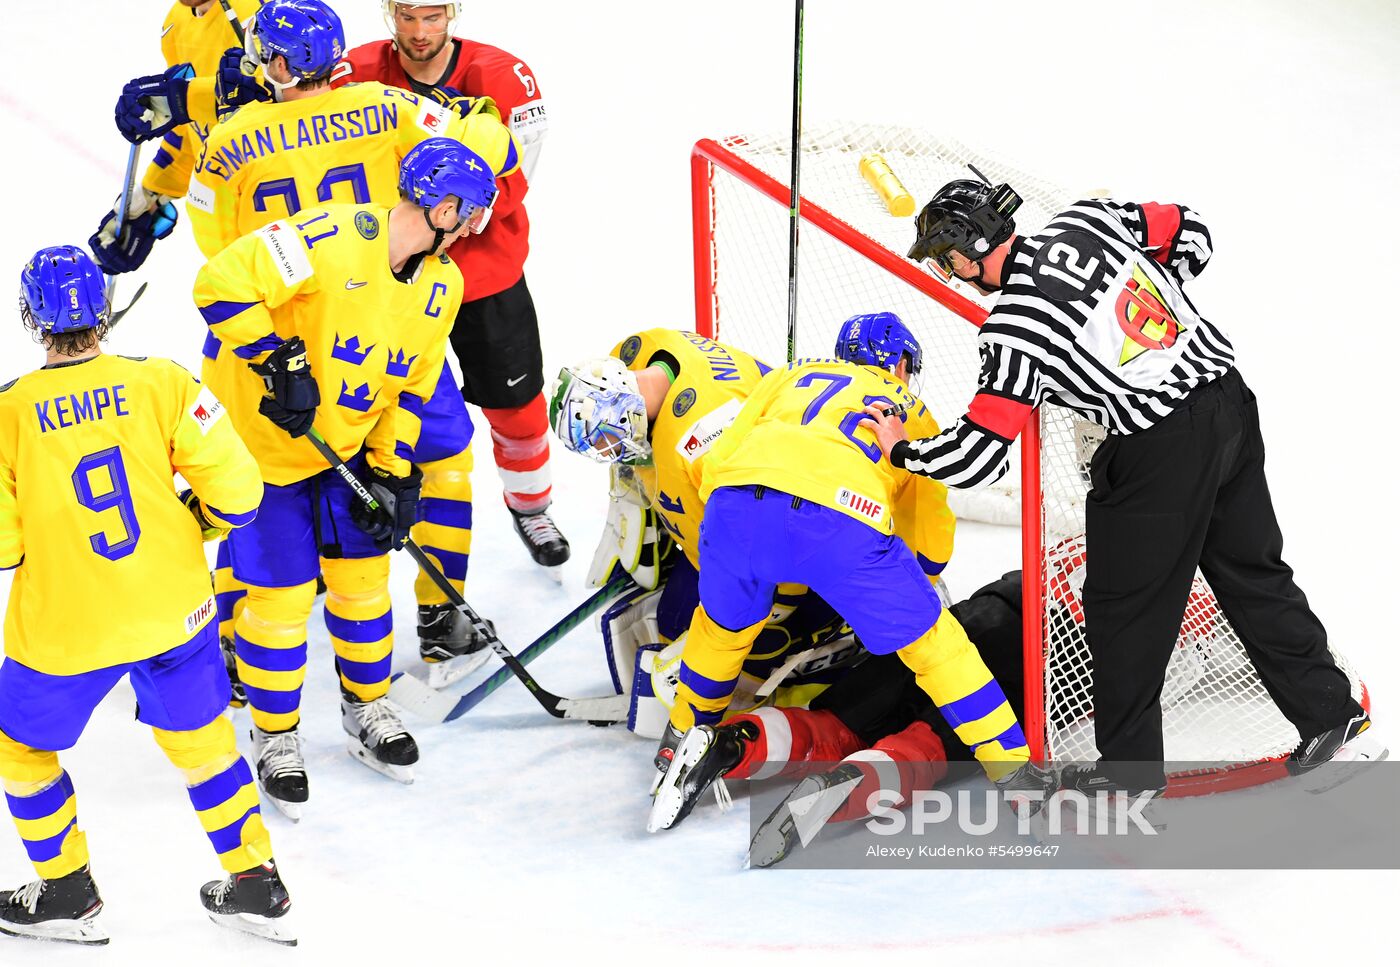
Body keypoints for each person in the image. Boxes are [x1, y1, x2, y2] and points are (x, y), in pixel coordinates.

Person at [864, 173, 1383, 795]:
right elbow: (1190, 230)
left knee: (1120, 613)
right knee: (1254, 573)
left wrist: (901, 451)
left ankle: (1130, 777)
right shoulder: (1087, 222)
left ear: (969, 247)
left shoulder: (1015, 327)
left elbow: (977, 457)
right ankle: (1335, 718)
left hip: (1158, 451)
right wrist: (1159, 311)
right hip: (1229, 405)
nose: (950, 275)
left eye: (947, 260)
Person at [186, 0, 520, 691]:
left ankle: (228, 640)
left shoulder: (226, 142)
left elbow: (217, 252)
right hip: (372, 320)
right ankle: (440, 621)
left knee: (247, 490)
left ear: (276, 64)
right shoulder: (384, 105)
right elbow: (488, 150)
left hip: (265, 337)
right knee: (442, 455)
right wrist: (483, 119)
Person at [644, 314, 1052, 831]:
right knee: (939, 649)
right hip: (837, 521)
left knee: (720, 632)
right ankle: (1015, 774)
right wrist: (912, 589)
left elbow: (722, 454)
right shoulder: (911, 409)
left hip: (732, 509)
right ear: (903, 363)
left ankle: (680, 741)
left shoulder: (786, 376)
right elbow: (929, 534)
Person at [191, 137, 497, 813]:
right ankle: (275, 736)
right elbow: (218, 284)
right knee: (282, 602)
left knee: (362, 588)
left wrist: (391, 471)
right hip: (264, 453)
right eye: (471, 212)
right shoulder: (327, 233)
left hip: (348, 452)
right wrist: (276, 360)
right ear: (442, 205)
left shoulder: (442, 284)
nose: (476, 226)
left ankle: (367, 708)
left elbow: (411, 387)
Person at [0, 246, 292, 945]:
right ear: (102, 311)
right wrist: (197, 523)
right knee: (205, 745)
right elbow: (241, 492)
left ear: (32, 319)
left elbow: (5, 547)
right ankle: (256, 881)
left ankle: (68, 891)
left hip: (66, 627)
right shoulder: (164, 381)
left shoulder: (7, 411)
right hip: (176, 610)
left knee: (21, 751)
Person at [333, 2, 570, 573]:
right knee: (368, 404)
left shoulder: (503, 76)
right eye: (407, 17)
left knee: (515, 401)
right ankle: (342, 516)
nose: (419, 33)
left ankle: (530, 505)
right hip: (392, 278)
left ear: (453, 13)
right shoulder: (356, 71)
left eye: (433, 17)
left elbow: (511, 183)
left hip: (483, 274)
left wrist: (447, 214)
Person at [550, 329, 856, 740]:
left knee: (757, 645)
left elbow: (769, 535)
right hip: (742, 517)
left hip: (803, 533)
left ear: (626, 410)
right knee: (673, 627)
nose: (610, 450)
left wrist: (772, 606)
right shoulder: (634, 355)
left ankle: (834, 632)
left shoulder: (709, 439)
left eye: (609, 440)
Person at [88, 0, 263, 277]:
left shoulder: (261, 16)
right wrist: (150, 199)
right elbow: (191, 131)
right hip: (229, 254)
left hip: (283, 239)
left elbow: (285, 107)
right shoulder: (176, 22)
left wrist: (181, 99)